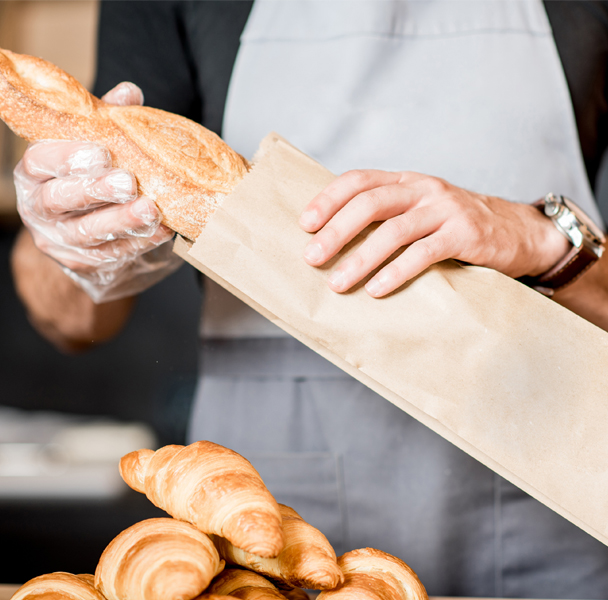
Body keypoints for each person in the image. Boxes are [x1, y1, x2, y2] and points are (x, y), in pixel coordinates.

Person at [10, 1, 608, 596]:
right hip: (262, 519)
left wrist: (551, 241)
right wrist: (72, 247)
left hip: (557, 505)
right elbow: (72, 318)